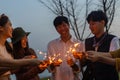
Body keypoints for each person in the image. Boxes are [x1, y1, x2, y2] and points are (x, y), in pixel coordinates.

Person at [0, 14, 42, 80]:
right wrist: (26, 62)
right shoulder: (14, 53)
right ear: (1, 28)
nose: (12, 28)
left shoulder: (7, 48)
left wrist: (44, 66)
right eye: (10, 25)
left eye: (26, 38)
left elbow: (10, 69)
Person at [82, 10, 120, 80]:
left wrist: (99, 57)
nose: (90, 27)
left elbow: (114, 60)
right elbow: (85, 63)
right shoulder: (87, 41)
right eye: (89, 24)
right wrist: (82, 58)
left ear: (102, 22)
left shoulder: (112, 39)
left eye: (93, 24)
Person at [47, 16, 84, 80]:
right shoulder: (51, 45)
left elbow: (81, 66)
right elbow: (49, 68)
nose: (62, 29)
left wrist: (73, 65)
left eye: (64, 25)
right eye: (59, 27)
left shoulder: (79, 44)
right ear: (56, 29)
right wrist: (53, 65)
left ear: (69, 25)